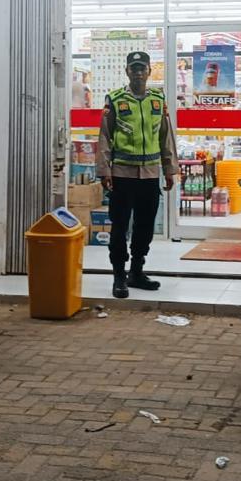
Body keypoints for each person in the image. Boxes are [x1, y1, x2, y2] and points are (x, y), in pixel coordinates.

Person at [96, 51, 179, 299]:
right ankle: (119, 276)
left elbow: (165, 136)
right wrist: (104, 170)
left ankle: (136, 271)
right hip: (122, 175)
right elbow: (104, 137)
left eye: (143, 68)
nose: (139, 73)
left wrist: (169, 169)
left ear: (149, 71)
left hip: (150, 175)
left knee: (145, 227)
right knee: (120, 227)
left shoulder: (157, 100)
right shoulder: (115, 99)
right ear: (127, 72)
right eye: (134, 69)